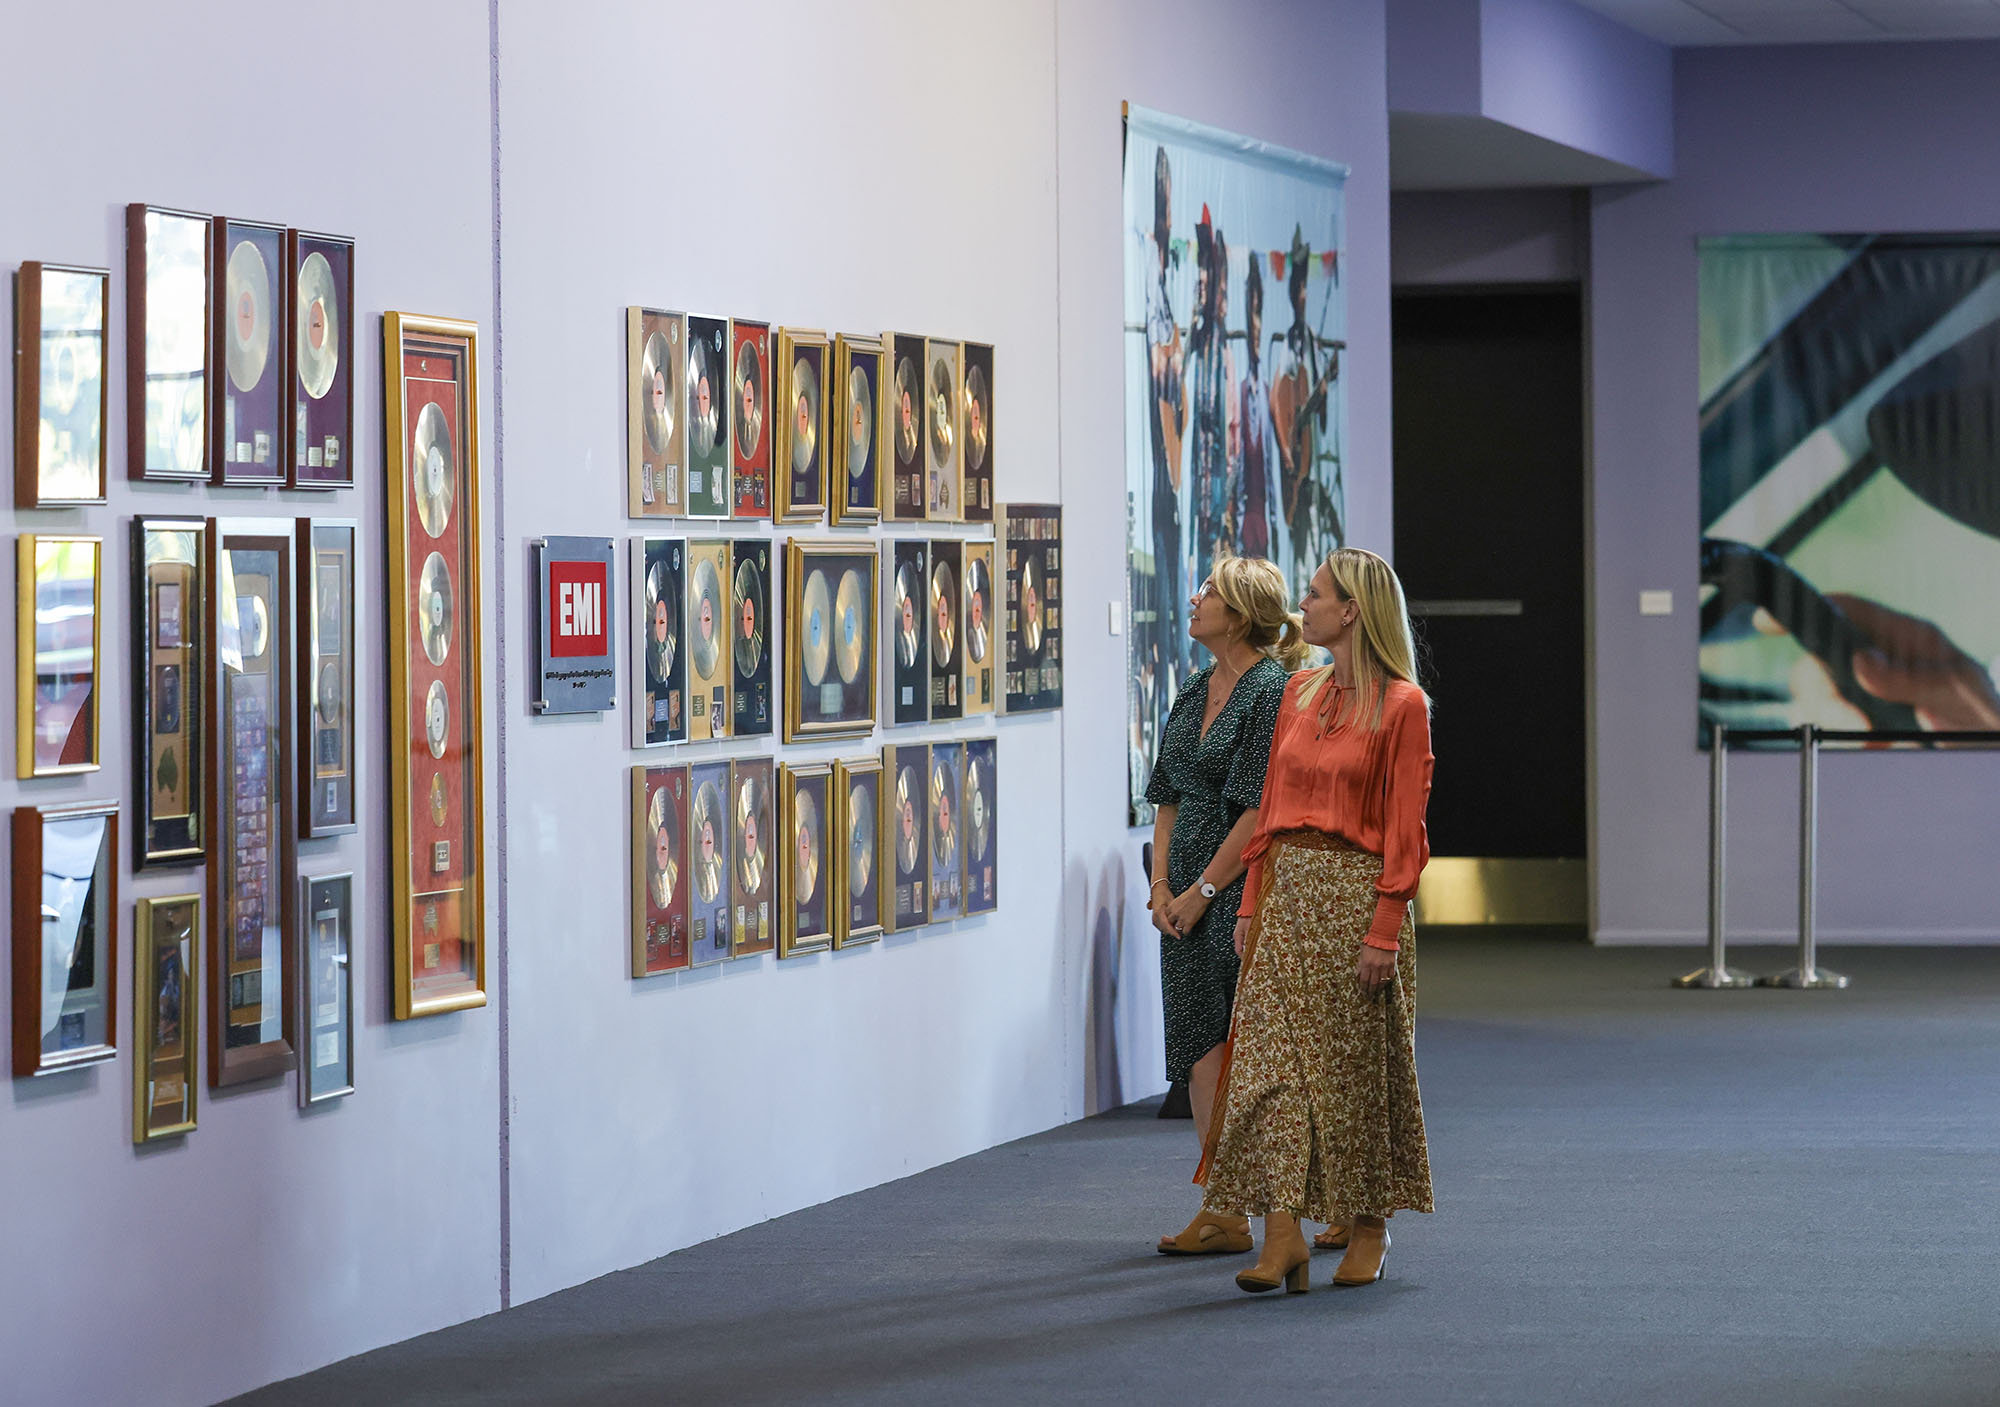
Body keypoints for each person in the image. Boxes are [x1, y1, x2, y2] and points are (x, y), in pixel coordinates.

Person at [1197, 546, 1435, 1294]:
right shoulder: (1299, 690)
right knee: (1267, 1070)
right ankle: (1281, 1235)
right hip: (1286, 892)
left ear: (1353, 610)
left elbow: (1406, 829)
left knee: (1352, 1074)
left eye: (1317, 593)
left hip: (1356, 895)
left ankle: (1369, 1223)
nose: (1305, 604)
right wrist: (1248, 902)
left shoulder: (1402, 705)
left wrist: (1384, 929)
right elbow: (1268, 811)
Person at [1145, 555, 1309, 1256]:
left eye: (1208, 590)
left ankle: (1274, 1208)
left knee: (1252, 1051)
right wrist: (1161, 889)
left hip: (1238, 890)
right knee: (1198, 1047)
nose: (1194, 597)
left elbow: (1256, 809)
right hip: (1182, 898)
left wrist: (1203, 891)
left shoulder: (1271, 690)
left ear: (1240, 613)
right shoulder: (1192, 689)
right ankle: (1224, 1206)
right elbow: (1167, 799)